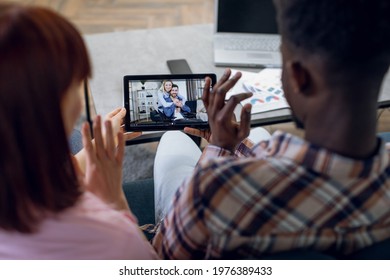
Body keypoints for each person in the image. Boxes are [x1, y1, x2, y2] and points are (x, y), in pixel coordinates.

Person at [152, 0, 390, 259]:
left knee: (173, 141)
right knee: (257, 136)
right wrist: (233, 146)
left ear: (299, 76)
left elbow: (162, 258)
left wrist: (218, 149)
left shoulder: (215, 188)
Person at [0, 3, 157, 259]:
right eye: (74, 85)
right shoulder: (111, 237)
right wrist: (114, 199)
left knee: (75, 137)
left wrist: (96, 148)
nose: (78, 102)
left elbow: (45, 176)